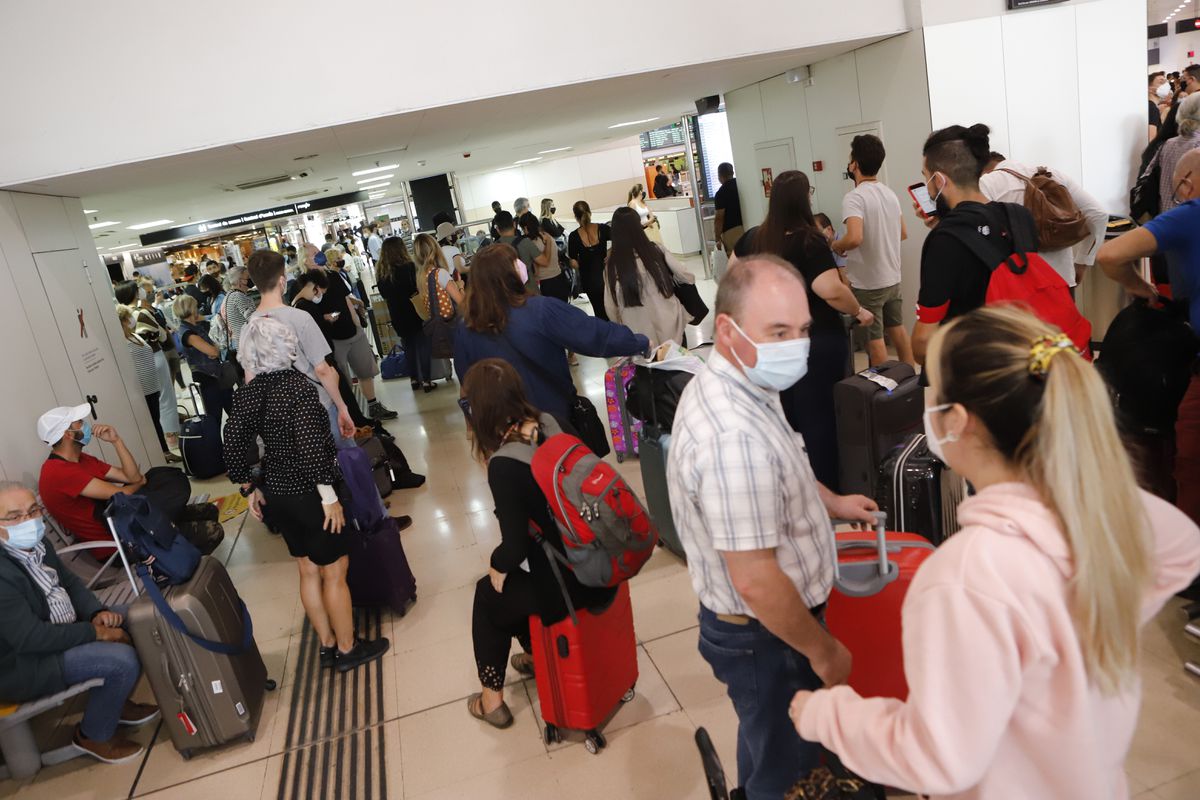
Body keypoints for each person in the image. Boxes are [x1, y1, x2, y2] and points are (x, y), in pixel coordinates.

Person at [789, 305, 1200, 799]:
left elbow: (939, 759)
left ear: (957, 421)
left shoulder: (966, 577)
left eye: (931, 390)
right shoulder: (1097, 522)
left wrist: (829, 715)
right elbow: (1181, 546)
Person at [667, 255, 879, 798]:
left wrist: (830, 501)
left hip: (766, 631)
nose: (795, 344)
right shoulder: (731, 437)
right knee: (793, 776)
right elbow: (758, 581)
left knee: (768, 738)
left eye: (803, 329)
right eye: (778, 331)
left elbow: (784, 463)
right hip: (769, 635)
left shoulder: (741, 379)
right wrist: (824, 651)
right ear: (727, 329)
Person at [225, 316, 390, 673]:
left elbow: (234, 442)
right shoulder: (298, 387)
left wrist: (247, 486)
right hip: (312, 494)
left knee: (306, 568)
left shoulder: (250, 393)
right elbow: (313, 448)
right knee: (335, 569)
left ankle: (327, 645)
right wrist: (329, 496)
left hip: (277, 492)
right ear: (287, 348)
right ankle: (348, 648)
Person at [460, 358, 616, 728]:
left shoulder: (504, 464)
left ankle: (491, 701)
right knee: (514, 584)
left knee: (489, 593)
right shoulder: (550, 423)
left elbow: (513, 547)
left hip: (567, 587)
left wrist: (497, 566)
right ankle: (536, 656)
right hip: (598, 562)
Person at [0, 482, 161, 764]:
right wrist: (95, 632)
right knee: (120, 660)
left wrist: (95, 612)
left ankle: (114, 705)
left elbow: (71, 584)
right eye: (15, 516)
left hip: (60, 631)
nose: (28, 521)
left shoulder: (39, 544)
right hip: (22, 664)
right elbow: (30, 639)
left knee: (138, 619)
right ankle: (94, 736)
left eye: (33, 510)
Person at [733, 170, 875, 490]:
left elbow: (731, 279)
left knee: (784, 415)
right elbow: (829, 288)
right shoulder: (809, 239)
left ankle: (789, 485)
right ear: (805, 198)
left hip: (771, 344)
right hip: (814, 341)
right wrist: (858, 309)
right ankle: (825, 491)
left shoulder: (754, 238)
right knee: (819, 419)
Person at [1098, 149, 1200, 525]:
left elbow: (1110, 256)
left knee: (1191, 464)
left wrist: (1139, 287)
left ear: (1185, 182)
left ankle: (1189, 563)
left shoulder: (1190, 214)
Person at [453, 244, 649, 420]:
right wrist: (638, 342)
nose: (521, 265)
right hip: (551, 417)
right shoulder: (540, 310)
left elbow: (469, 381)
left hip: (504, 427)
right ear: (509, 273)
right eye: (515, 262)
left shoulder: (466, 326)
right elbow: (593, 335)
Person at [909, 123, 1040, 364]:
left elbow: (924, 340)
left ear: (939, 180)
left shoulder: (945, 239)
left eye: (926, 177)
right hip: (1022, 356)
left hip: (974, 369)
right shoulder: (1020, 217)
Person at [243, 249, 358, 447]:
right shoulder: (300, 318)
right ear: (281, 281)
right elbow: (322, 369)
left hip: (279, 417)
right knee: (343, 464)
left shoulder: (248, 328)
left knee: (304, 473)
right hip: (316, 406)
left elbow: (251, 381)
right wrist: (342, 406)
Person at [831, 134, 915, 367]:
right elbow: (903, 233)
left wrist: (837, 245)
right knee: (897, 329)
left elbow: (854, 237)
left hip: (868, 284)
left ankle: (883, 391)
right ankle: (910, 382)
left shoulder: (854, 197)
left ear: (855, 164)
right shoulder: (889, 193)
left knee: (873, 338)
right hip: (892, 278)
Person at [980, 150, 1108, 289]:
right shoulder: (1052, 174)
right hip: (1062, 278)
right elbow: (1098, 214)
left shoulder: (988, 182)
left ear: (982, 170)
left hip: (1019, 284)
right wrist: (1082, 262)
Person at [322, 247, 397, 420]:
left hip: (352, 330)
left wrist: (357, 321)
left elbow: (346, 298)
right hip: (334, 338)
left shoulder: (334, 277)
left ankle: (373, 406)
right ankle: (352, 414)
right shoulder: (306, 285)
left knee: (365, 371)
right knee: (343, 379)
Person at [604, 206, 695, 346]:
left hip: (639, 339)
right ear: (638, 227)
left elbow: (610, 308)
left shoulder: (612, 266)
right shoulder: (656, 250)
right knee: (678, 366)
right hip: (671, 328)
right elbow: (686, 276)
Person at [116, 280, 181, 451]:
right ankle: (172, 436)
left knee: (161, 399)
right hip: (154, 356)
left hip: (147, 360)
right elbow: (161, 335)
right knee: (166, 397)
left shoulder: (130, 314)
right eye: (138, 289)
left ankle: (169, 438)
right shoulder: (139, 313)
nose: (142, 291)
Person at [376, 236, 435, 392]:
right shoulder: (410, 267)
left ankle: (414, 379)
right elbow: (417, 287)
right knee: (423, 345)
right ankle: (427, 380)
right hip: (415, 310)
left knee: (408, 347)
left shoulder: (382, 273)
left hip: (397, 314)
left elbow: (383, 294)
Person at [174, 293, 234, 427]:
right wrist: (216, 349)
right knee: (215, 418)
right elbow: (213, 351)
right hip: (207, 379)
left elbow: (214, 348)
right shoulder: (187, 333)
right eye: (195, 307)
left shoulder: (195, 326)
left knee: (234, 411)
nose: (198, 309)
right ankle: (218, 447)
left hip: (216, 375)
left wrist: (215, 349)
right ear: (190, 309)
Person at [1141, 92, 1200, 215]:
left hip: (1166, 217)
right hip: (1191, 222)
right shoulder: (1197, 145)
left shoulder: (1168, 143)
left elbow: (1146, 176)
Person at [567, 200, 613, 321]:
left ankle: (606, 336)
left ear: (575, 216)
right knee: (613, 309)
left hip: (589, 280)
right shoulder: (602, 228)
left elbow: (574, 262)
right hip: (606, 276)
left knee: (599, 312)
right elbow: (620, 238)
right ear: (590, 213)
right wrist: (610, 252)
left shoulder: (574, 236)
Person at [519, 212, 569, 302]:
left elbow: (544, 262)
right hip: (559, 277)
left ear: (526, 227)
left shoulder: (531, 242)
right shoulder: (547, 235)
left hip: (546, 282)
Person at [222, 266, 256, 366]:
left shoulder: (229, 295)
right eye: (247, 278)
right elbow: (252, 319)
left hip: (241, 344)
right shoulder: (238, 296)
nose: (250, 280)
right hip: (248, 345)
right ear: (239, 281)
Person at [713, 162, 744, 254]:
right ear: (732, 173)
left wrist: (717, 238)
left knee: (735, 257)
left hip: (731, 231)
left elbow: (719, 218)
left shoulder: (721, 193)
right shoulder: (741, 185)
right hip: (747, 226)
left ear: (719, 176)